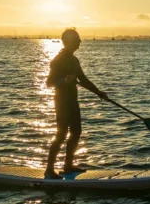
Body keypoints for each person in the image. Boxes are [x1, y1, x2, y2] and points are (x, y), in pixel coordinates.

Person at [45, 28, 108, 178]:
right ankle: (49, 170)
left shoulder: (74, 60)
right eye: (77, 39)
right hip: (61, 102)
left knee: (76, 132)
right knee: (61, 134)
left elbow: (83, 80)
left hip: (73, 100)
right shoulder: (58, 60)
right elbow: (49, 82)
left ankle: (68, 166)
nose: (80, 41)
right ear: (69, 42)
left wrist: (99, 92)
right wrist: (63, 80)